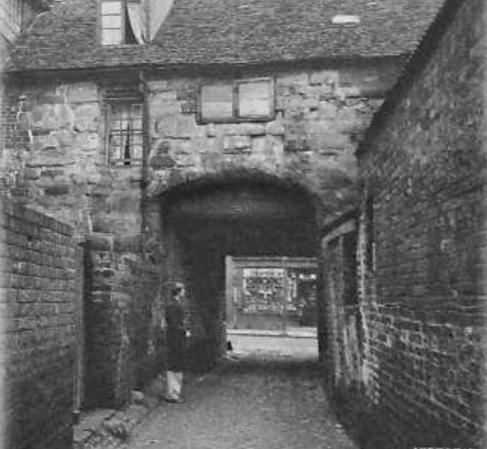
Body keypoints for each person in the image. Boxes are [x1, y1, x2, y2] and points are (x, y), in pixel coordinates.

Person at [164, 282, 189, 403]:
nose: (184, 291)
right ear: (179, 291)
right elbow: (175, 324)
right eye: (183, 289)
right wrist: (184, 330)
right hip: (175, 339)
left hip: (175, 337)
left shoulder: (174, 304)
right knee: (176, 365)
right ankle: (173, 393)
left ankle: (174, 392)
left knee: (176, 364)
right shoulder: (174, 306)